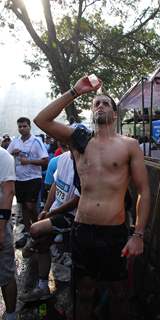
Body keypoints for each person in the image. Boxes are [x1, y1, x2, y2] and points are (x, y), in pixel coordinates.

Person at [34, 75, 150, 319]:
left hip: (114, 232)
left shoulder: (129, 145)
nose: (100, 106)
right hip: (83, 230)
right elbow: (41, 120)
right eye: (96, 103)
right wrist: (75, 91)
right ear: (91, 111)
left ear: (115, 114)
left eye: (105, 103)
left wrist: (138, 234)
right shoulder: (79, 142)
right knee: (84, 292)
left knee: (119, 292)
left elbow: (144, 191)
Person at [20, 149, 80, 302]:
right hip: (57, 210)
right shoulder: (63, 158)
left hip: (72, 215)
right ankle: (43, 286)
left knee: (35, 229)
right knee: (43, 243)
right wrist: (46, 209)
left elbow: (76, 200)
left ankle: (31, 242)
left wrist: (52, 213)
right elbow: (55, 184)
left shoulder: (85, 162)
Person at [7, 117, 49, 246]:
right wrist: (13, 154)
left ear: (29, 127)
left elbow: (45, 161)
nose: (22, 129)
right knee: (23, 206)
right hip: (19, 178)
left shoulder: (36, 141)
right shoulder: (15, 142)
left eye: (24, 126)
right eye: (20, 126)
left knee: (30, 205)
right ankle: (28, 232)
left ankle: (39, 227)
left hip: (33, 178)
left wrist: (29, 161)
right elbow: (6, 156)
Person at [0, 146, 17, 320]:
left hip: (0, 222)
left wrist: (1, 229)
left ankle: (11, 314)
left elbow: (8, 192)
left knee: (5, 273)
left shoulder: (3, 157)